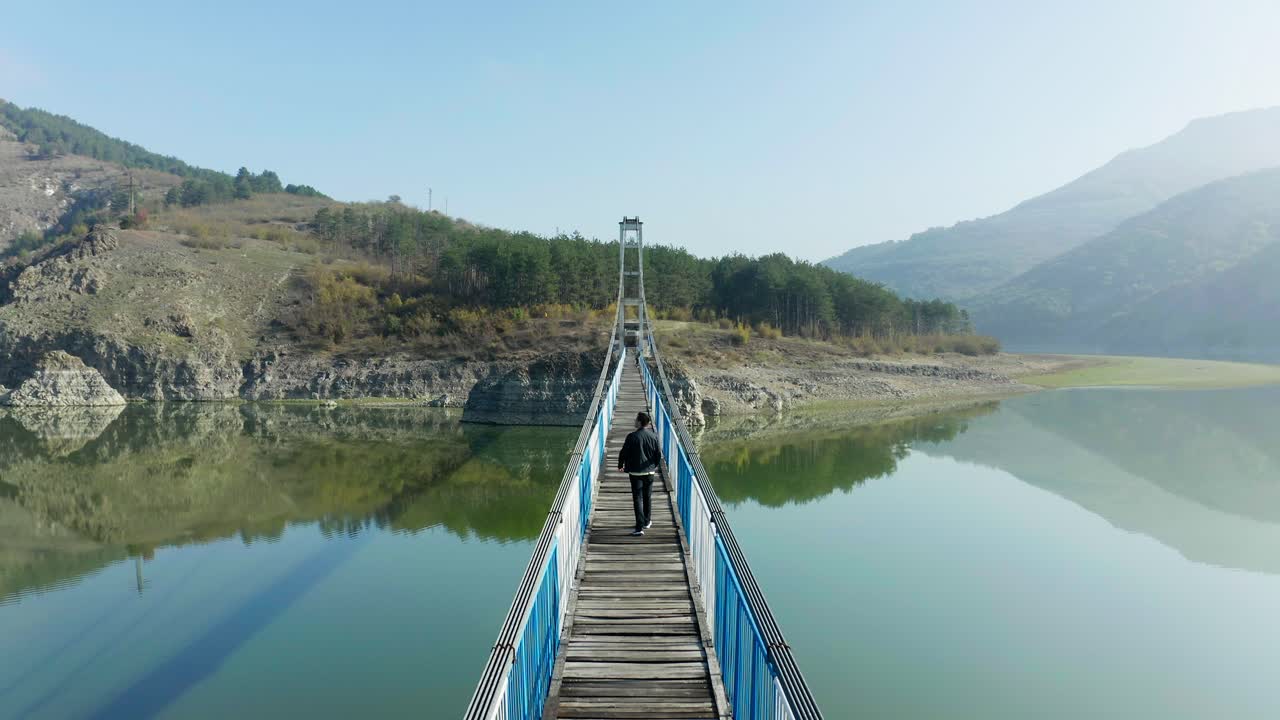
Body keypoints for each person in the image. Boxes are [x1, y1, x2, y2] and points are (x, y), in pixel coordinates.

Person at [617, 411, 663, 536]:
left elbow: (623, 452)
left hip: (635, 472)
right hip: (649, 472)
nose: (634, 421)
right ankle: (647, 521)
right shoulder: (653, 436)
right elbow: (658, 454)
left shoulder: (632, 436)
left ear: (639, 422)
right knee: (647, 496)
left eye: (635, 420)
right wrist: (654, 465)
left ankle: (639, 528)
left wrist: (621, 465)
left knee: (638, 498)